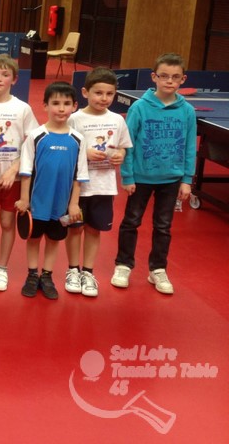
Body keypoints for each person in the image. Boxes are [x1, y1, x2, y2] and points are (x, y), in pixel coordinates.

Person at [112, 53, 196, 295]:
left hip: (171, 179)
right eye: (164, 76)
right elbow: (127, 144)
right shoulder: (139, 108)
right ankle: (123, 265)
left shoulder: (187, 111)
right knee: (131, 222)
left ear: (183, 79)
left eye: (175, 77)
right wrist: (127, 176)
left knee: (163, 226)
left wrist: (187, 180)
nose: (169, 81)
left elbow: (190, 146)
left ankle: (157, 269)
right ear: (154, 77)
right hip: (141, 178)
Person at [16, 81, 88, 300]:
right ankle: (32, 275)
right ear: (45, 105)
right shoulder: (36, 136)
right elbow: (26, 170)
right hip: (37, 201)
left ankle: (47, 275)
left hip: (62, 203)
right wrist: (24, 199)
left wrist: (74, 204)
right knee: (34, 238)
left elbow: (79, 175)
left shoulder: (78, 139)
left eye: (66, 103)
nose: (61, 108)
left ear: (74, 106)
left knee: (54, 239)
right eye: (55, 103)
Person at [65, 68, 132, 297]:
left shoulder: (117, 120)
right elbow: (65, 148)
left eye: (109, 94)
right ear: (85, 92)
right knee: (75, 229)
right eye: (98, 93)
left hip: (104, 186)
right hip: (77, 188)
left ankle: (88, 272)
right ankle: (73, 270)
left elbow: (122, 147)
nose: (104, 98)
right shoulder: (74, 119)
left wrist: (120, 155)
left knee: (94, 230)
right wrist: (84, 153)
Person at [0, 53, 38, 292]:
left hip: (13, 178)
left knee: (7, 221)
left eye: (5, 74)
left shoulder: (22, 109)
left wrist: (14, 170)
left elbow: (31, 144)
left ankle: (2, 267)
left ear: (14, 79)